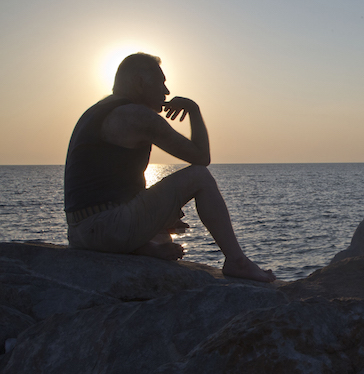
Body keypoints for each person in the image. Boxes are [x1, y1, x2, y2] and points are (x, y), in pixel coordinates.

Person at [64, 52, 275, 282]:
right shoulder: (137, 116)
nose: (166, 92)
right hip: (107, 227)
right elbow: (201, 157)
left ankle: (144, 247)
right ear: (140, 83)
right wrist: (193, 109)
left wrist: (160, 215)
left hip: (80, 232)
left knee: (166, 238)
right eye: (161, 83)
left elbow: (106, 183)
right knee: (199, 177)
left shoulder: (97, 111)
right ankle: (237, 261)